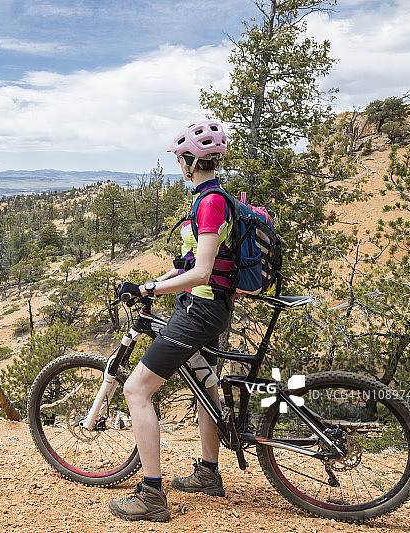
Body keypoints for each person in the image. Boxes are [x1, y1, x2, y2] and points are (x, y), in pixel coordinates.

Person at [108, 119, 234, 522]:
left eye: (181, 159)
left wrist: (151, 290)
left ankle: (151, 495)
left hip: (200, 310)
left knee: (136, 390)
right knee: (205, 386)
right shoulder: (213, 197)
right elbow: (190, 263)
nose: (180, 165)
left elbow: (201, 273)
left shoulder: (209, 203)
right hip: (209, 308)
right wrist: (154, 283)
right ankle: (209, 473)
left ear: (189, 162)